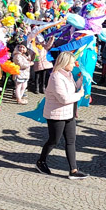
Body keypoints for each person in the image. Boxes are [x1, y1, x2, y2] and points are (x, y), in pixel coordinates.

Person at [37, 51, 87, 179]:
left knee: (71, 141)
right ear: (65, 63)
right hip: (57, 115)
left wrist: (81, 81)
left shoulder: (68, 75)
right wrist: (79, 95)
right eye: (72, 63)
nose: (74, 65)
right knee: (54, 140)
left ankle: (73, 170)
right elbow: (64, 99)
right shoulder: (56, 77)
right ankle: (41, 161)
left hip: (69, 113)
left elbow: (72, 89)